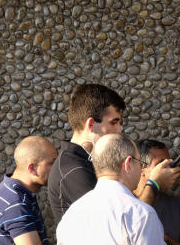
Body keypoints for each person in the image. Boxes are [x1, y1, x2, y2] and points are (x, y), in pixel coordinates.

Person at [47, 83, 177, 221]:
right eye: (114, 122)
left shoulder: (88, 161)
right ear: (91, 124)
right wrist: (154, 184)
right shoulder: (73, 169)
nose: (119, 129)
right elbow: (121, 223)